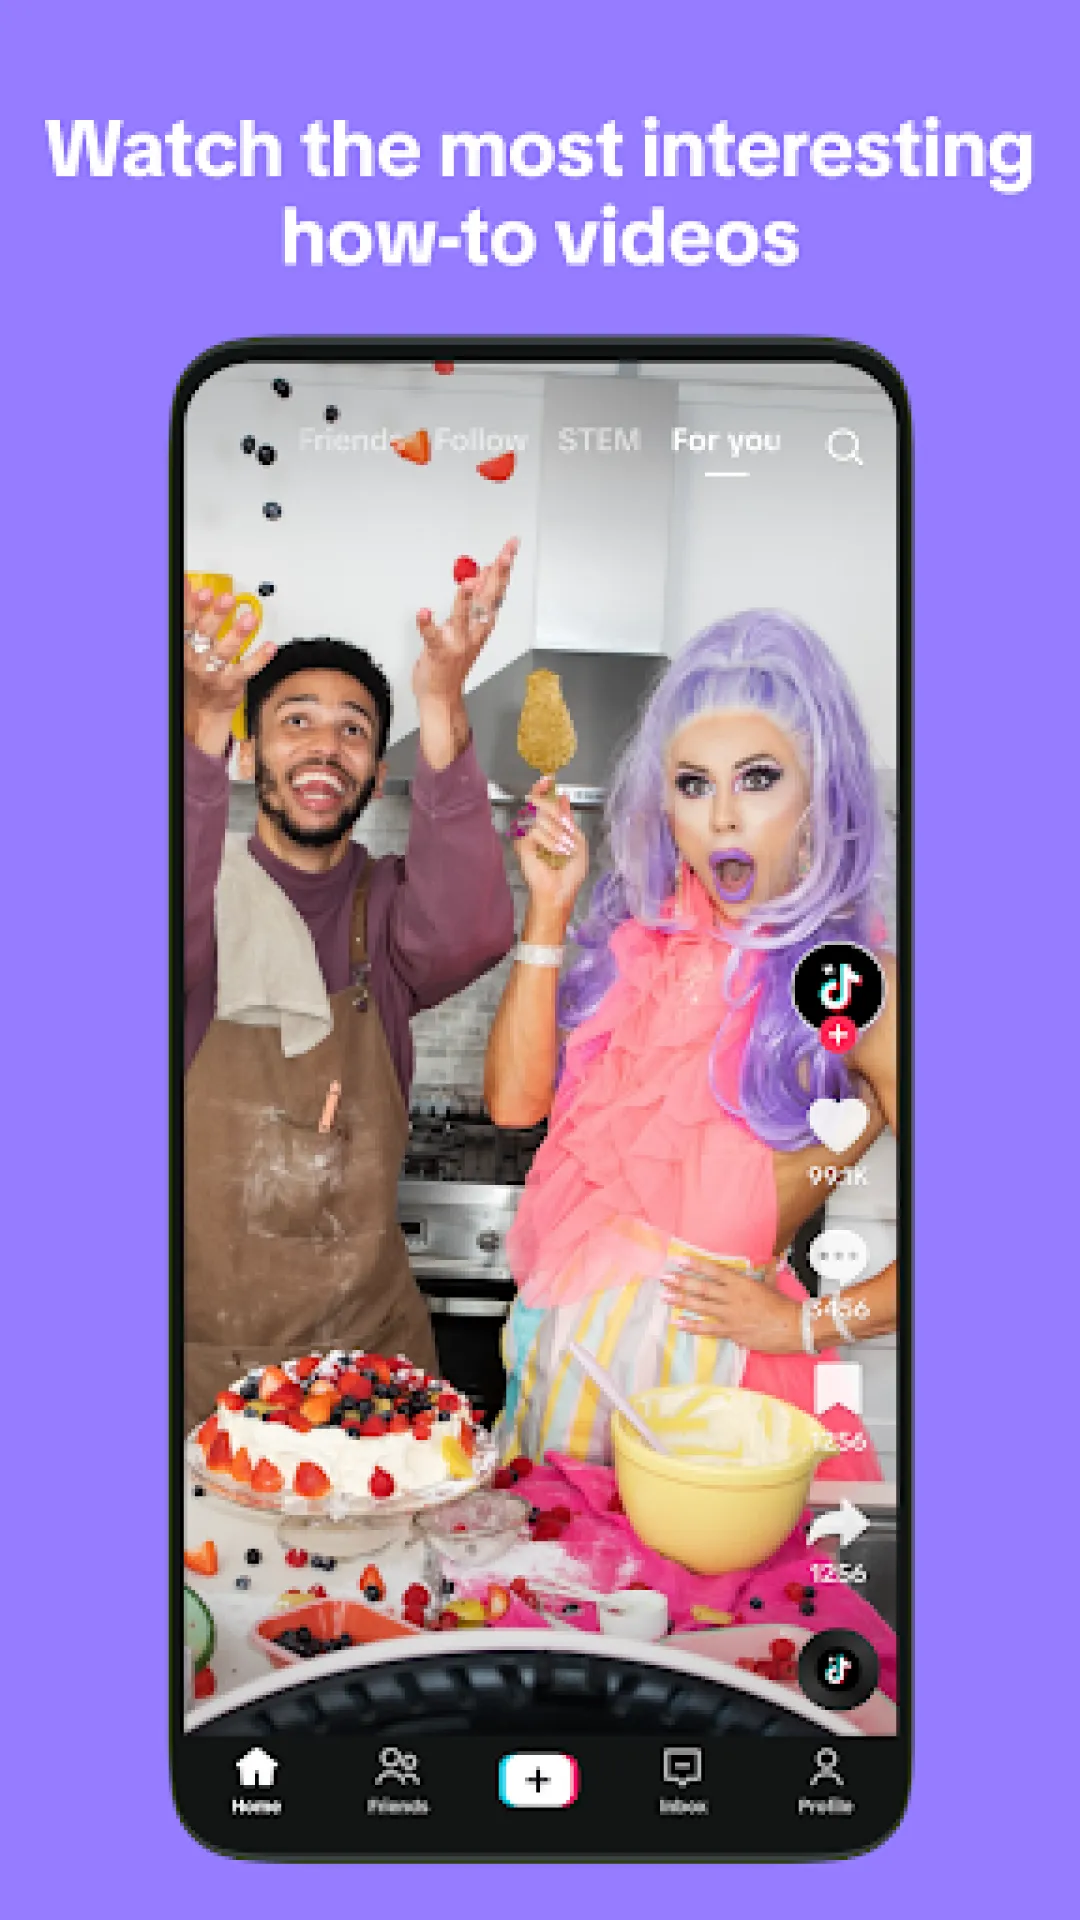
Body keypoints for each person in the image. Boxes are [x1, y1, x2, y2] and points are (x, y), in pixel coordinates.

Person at [484, 610, 897, 1466]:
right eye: (694, 784)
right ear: (664, 805)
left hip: (715, 1418)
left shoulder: (847, 981)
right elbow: (515, 1104)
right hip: (560, 1398)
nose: (724, 818)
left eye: (759, 778)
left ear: (819, 798)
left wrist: (808, 1324)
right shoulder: (639, 949)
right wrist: (549, 910)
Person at [183, 545, 518, 1429]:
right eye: (295, 721)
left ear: (376, 773)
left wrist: (441, 700)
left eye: (355, 730)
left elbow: (473, 930)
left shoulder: (391, 907)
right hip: (205, 1373)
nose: (325, 746)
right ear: (250, 755)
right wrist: (203, 724)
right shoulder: (200, 892)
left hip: (370, 1372)